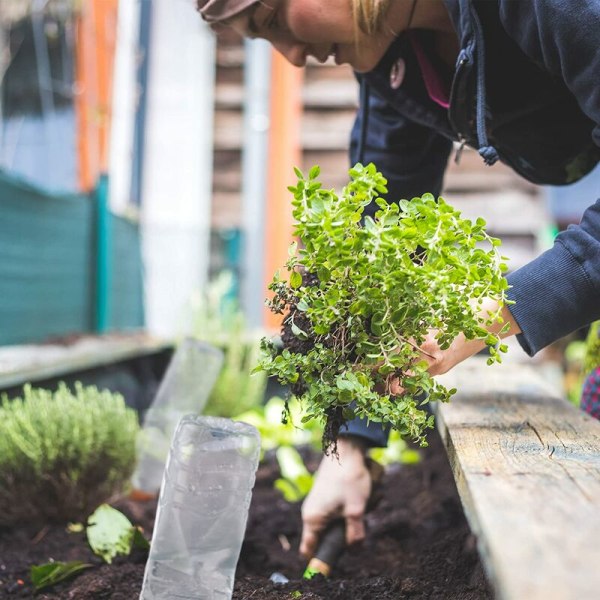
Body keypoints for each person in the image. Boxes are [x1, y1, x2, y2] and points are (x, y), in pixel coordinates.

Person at [197, 0, 600, 562]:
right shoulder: (396, 61)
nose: (289, 56)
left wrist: (482, 317)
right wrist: (350, 446)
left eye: (272, 22)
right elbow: (383, 233)